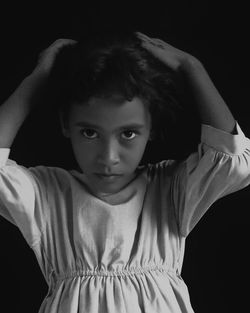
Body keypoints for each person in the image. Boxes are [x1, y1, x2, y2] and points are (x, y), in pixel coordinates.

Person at [0, 29, 250, 313]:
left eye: (128, 133)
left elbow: (233, 160)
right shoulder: (47, 195)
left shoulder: (170, 190)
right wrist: (37, 80)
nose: (108, 158)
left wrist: (192, 68)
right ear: (65, 124)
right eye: (90, 133)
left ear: (151, 128)